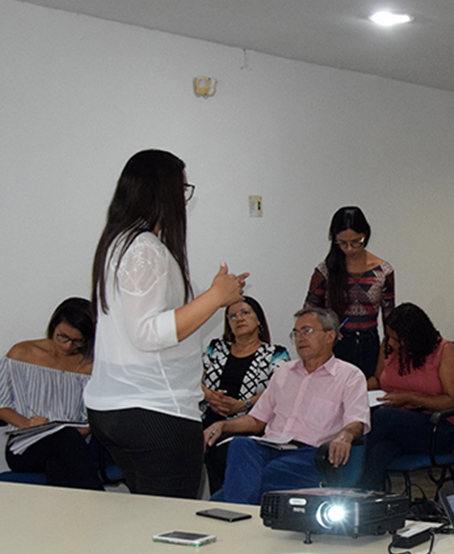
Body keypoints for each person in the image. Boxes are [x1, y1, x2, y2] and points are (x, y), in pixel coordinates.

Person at [85, 149, 247, 498]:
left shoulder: (119, 242)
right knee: (171, 526)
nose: (185, 201)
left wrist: (214, 296)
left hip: (117, 406)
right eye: (182, 189)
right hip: (153, 409)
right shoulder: (144, 248)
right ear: (160, 191)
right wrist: (215, 298)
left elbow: (150, 319)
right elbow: (148, 333)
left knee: (147, 521)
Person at [206, 308, 370, 505]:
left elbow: (356, 421)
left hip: (309, 454)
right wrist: (223, 426)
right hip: (269, 447)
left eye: (307, 331)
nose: (300, 338)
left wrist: (345, 436)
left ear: (330, 336)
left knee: (251, 480)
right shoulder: (284, 372)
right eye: (296, 333)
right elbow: (257, 420)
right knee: (240, 444)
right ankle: (241, 508)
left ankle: (234, 510)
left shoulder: (349, 376)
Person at [356, 303, 454, 491]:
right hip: (396, 427)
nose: (390, 343)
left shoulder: (444, 350)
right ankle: (364, 501)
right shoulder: (388, 346)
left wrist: (409, 398)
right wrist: (351, 390)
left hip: (436, 427)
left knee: (381, 418)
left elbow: (452, 401)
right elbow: (377, 380)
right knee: (380, 451)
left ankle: (345, 483)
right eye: (388, 336)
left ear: (414, 338)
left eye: (396, 339)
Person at [0, 298, 101, 489]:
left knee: (59, 464)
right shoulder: (22, 353)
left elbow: (94, 412)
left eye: (77, 342)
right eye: (62, 337)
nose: (67, 346)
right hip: (26, 445)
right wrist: (26, 423)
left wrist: (87, 428)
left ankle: (65, 516)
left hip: (72, 444)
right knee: (66, 440)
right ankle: (99, 501)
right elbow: (1, 403)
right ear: (53, 327)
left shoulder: (90, 365)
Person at [201, 296, 290, 493]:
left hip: (248, 426)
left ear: (259, 319)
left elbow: (277, 390)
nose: (238, 318)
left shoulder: (275, 354)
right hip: (206, 419)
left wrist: (244, 405)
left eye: (245, 313)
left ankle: (227, 502)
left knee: (223, 454)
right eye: (232, 316)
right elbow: (194, 379)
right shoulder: (216, 348)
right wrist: (210, 397)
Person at [304, 206, 394, 378]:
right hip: (335, 346)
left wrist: (389, 353)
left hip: (370, 345)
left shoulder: (383, 271)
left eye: (356, 242)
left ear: (365, 235)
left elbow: (390, 318)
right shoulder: (325, 271)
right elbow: (309, 313)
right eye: (342, 243)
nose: (350, 249)